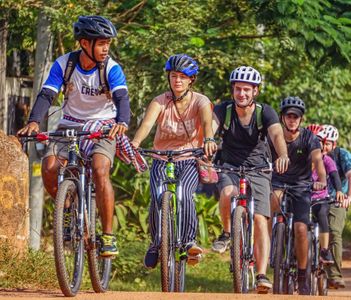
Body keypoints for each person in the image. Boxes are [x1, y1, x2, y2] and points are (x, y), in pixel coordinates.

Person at [17, 15, 130, 257]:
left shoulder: (111, 67)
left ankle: (108, 237)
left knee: (100, 170)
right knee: (49, 168)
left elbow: (121, 98)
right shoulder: (64, 64)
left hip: (104, 125)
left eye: (108, 43)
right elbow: (47, 94)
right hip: (69, 124)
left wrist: (122, 122)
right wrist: (34, 121)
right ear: (84, 44)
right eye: (101, 43)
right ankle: (66, 210)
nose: (105, 48)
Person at [131, 54, 217, 268]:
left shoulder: (201, 101)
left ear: (191, 80)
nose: (177, 80)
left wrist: (208, 139)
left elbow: (207, 122)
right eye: (173, 76)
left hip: (188, 158)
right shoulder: (160, 101)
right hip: (161, 158)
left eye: (182, 76)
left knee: (184, 195)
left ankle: (189, 242)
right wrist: (135, 142)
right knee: (157, 197)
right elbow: (147, 124)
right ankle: (156, 243)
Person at [211, 66, 289, 293]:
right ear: (232, 90)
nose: (241, 94)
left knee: (261, 220)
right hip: (230, 166)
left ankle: (262, 274)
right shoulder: (223, 110)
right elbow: (211, 128)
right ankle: (227, 233)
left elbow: (276, 134)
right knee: (227, 194)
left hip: (259, 169)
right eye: (237, 89)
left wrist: (282, 154)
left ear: (255, 91)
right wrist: (207, 140)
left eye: (246, 89)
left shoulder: (265, 112)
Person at [269, 96, 326, 295]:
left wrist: (322, 180)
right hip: (277, 182)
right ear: (282, 118)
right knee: (270, 207)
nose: (292, 120)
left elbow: (318, 160)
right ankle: (269, 246)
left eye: (296, 116)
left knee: (301, 228)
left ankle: (302, 274)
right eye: (288, 116)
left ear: (301, 119)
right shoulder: (273, 136)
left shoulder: (310, 138)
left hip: (301, 186)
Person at [320, 124, 351, 289]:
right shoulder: (313, 155)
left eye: (327, 143)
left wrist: (349, 197)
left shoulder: (343, 155)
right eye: (320, 142)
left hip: (337, 200)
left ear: (334, 144)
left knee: (334, 232)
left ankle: (334, 275)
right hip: (315, 200)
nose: (324, 147)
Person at [307, 124, 345, 265]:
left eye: (317, 142)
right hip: (302, 197)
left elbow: (335, 176)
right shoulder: (301, 158)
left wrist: (339, 191)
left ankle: (324, 250)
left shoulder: (326, 160)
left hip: (320, 198)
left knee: (323, 214)